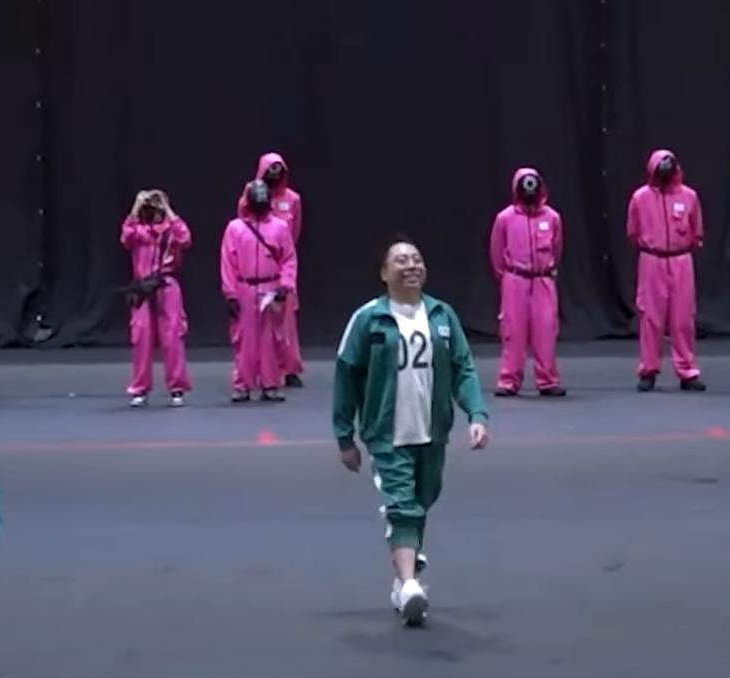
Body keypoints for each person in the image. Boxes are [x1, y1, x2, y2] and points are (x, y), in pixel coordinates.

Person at [332, 237, 490, 627]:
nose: (411, 266)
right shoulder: (369, 319)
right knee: (402, 505)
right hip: (387, 434)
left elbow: (463, 368)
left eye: (416, 259)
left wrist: (476, 414)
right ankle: (409, 585)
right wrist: (344, 436)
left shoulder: (442, 315)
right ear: (384, 273)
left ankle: (406, 574)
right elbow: (346, 376)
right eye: (401, 260)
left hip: (432, 432)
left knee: (422, 499)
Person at [626, 149, 705, 392]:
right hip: (652, 260)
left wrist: (682, 247)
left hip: (681, 260)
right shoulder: (640, 198)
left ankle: (687, 371)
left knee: (683, 318)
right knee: (650, 317)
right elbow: (633, 232)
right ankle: (648, 370)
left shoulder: (689, 197)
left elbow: (697, 231)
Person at [230, 153, 305, 387]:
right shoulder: (250, 195)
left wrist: (283, 269)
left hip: (280, 267)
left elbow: (295, 232)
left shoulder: (292, 199)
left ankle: (289, 368)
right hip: (253, 268)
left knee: (284, 322)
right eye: (270, 169)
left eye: (278, 169)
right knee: (250, 328)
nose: (274, 174)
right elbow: (242, 229)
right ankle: (251, 374)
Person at [490, 167, 566, 397]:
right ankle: (509, 380)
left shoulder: (552, 218)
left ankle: (547, 379)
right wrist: (507, 278)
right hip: (515, 279)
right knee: (513, 331)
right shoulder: (505, 218)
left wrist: (546, 270)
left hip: (543, 279)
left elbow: (557, 249)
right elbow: (496, 252)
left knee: (546, 329)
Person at [221, 180, 298, 403]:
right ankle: (242, 384)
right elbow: (228, 263)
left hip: (271, 287)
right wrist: (230, 294)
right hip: (244, 288)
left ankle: (270, 383)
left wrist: (285, 286)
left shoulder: (280, 228)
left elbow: (289, 259)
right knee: (244, 339)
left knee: (271, 339)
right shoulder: (235, 228)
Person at [120, 189, 192, 407]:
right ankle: (140, 388)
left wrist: (167, 208)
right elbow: (125, 237)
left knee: (172, 337)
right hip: (143, 288)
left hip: (166, 285)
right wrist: (136, 206)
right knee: (141, 337)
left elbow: (185, 238)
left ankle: (177, 387)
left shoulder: (170, 232)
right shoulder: (139, 232)